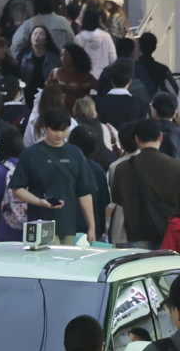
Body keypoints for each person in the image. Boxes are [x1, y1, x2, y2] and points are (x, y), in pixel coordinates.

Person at [9, 102, 98, 240]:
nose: (59, 134)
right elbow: (16, 189)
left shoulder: (75, 154)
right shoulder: (31, 154)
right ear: (45, 127)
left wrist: (91, 227)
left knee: (65, 260)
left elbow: (85, 193)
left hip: (68, 225)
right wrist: (39, 201)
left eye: (63, 130)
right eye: (55, 130)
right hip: (40, 224)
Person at [109, 119, 180, 245]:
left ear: (136, 139)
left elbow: (118, 199)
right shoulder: (176, 167)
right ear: (160, 137)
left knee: (140, 264)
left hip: (137, 234)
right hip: (167, 233)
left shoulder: (122, 168)